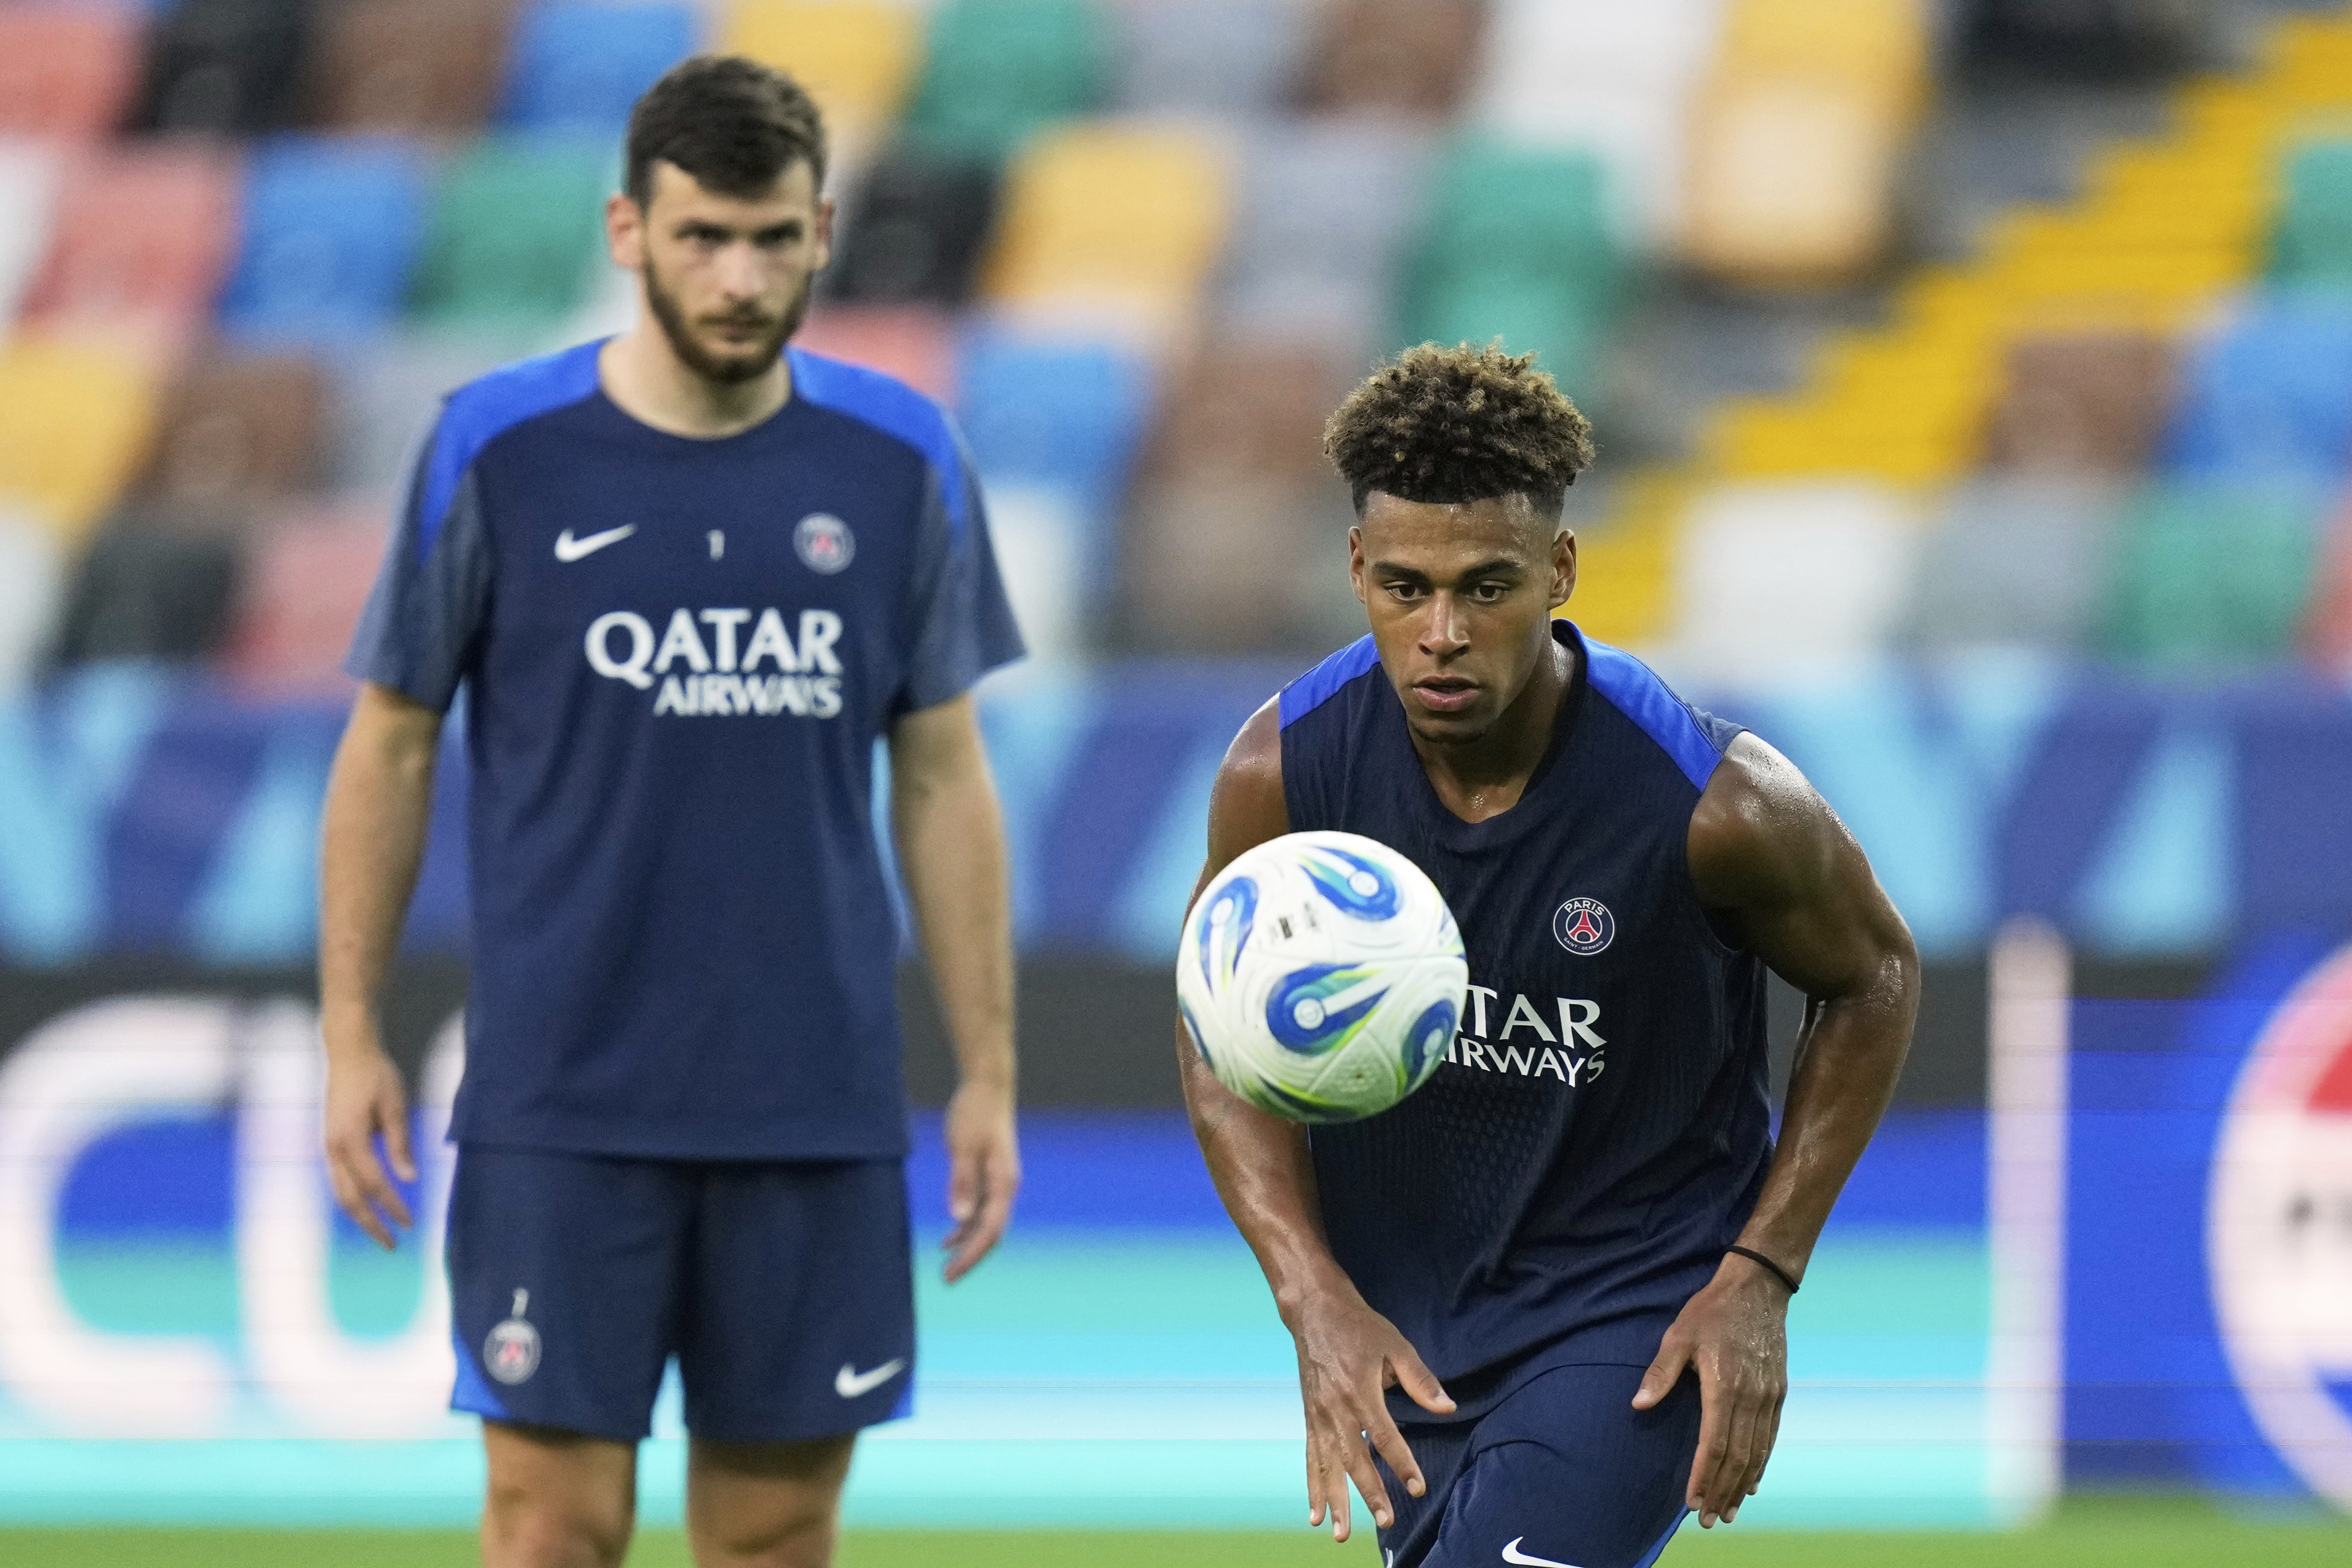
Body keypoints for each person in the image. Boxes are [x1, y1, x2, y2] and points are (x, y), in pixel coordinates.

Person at [317, 57, 1025, 1568]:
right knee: (548, 1525)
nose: (740, 273)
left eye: (773, 237)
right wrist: (347, 1033)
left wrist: (987, 1069)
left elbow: (946, 770)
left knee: (774, 1533)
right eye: (703, 235)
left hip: (812, 1096)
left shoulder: (901, 460)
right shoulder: (495, 448)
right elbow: (387, 744)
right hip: (565, 1100)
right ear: (627, 229)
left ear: (826, 230)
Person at [1180, 343, 1919, 1568]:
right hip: (1408, 1331)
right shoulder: (1284, 775)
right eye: (1406, 587)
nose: (1442, 634)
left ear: (1561, 571)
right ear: (1355, 569)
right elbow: (1217, 1027)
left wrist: (1760, 1273)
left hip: (1636, 1312)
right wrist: (1312, 1296)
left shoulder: (1710, 800)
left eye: (1487, 586)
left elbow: (1873, 976)